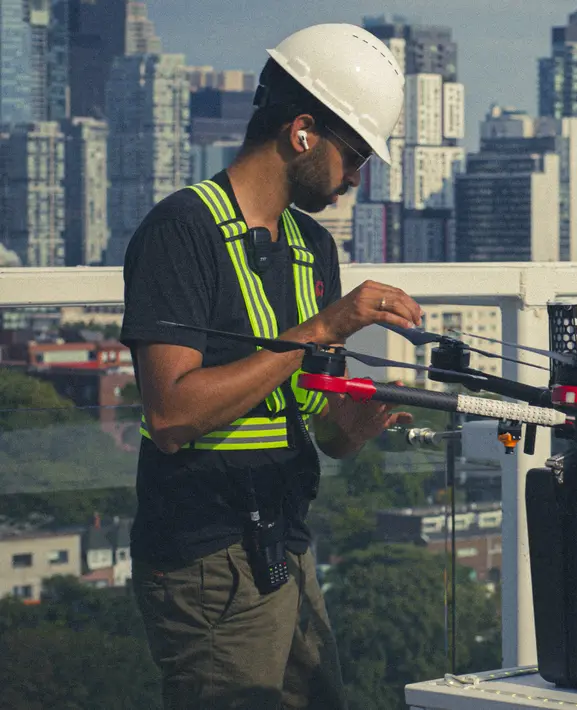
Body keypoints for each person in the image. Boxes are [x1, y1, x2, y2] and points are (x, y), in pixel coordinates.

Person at [119, 23, 420, 709]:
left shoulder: (311, 247)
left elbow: (323, 428)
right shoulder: (181, 231)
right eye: (354, 155)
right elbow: (170, 415)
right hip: (208, 559)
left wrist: (355, 421)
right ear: (303, 131)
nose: (355, 177)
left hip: (283, 542)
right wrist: (320, 328)